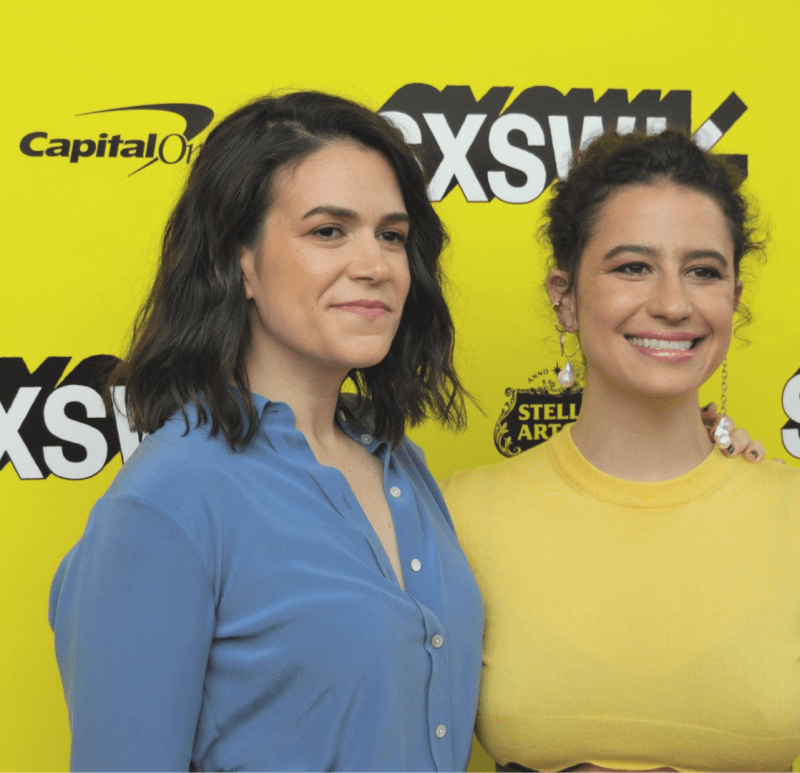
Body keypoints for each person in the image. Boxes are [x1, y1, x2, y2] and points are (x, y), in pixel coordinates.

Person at [48, 91, 485, 772]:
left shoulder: (404, 467)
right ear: (237, 261)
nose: (375, 264)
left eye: (391, 235)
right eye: (329, 231)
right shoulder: (170, 498)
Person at [442, 130, 800, 772]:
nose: (673, 304)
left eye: (702, 271)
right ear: (566, 298)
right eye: (632, 267)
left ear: (733, 299)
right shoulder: (463, 516)